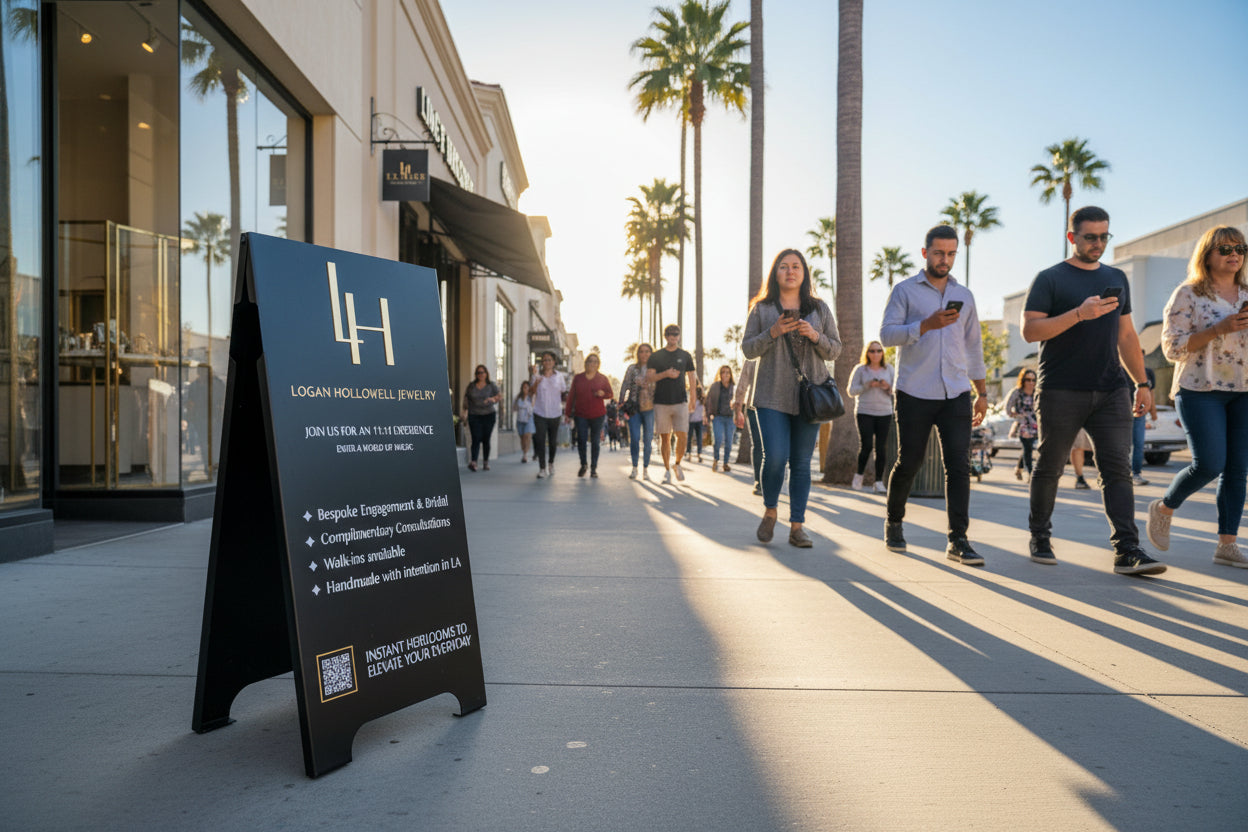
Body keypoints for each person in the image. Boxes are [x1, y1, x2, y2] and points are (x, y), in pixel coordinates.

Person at [1021, 206, 1165, 575]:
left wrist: (1143, 383)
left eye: (1104, 236)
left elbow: (1127, 335)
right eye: (1090, 237)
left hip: (1111, 389)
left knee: (1117, 468)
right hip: (1060, 389)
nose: (1098, 243)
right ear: (1073, 237)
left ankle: (1128, 550)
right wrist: (1078, 314)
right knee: (1051, 465)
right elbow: (1031, 332)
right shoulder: (1050, 279)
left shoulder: (1116, 277)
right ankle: (1040, 536)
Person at [880, 225, 987, 566]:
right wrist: (925, 325)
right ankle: (894, 522)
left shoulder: (965, 296)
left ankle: (958, 540)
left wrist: (981, 391)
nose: (945, 259)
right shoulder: (905, 291)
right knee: (909, 461)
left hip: (955, 391)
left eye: (951, 253)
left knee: (957, 465)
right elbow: (886, 336)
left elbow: (973, 346)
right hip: (914, 391)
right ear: (925, 253)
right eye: (939, 253)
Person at [1148, 226, 1248, 568]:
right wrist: (1219, 329)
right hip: (1199, 389)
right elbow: (1172, 347)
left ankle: (1227, 544)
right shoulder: (1188, 294)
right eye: (1225, 249)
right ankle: (1164, 508)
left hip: (1244, 391)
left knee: (1237, 470)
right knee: (1210, 463)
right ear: (1206, 255)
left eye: (1239, 248)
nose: (1234, 254)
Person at [742, 248, 841, 548]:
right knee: (773, 457)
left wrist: (815, 336)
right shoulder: (762, 309)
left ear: (804, 272)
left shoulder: (820, 309)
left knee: (800, 463)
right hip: (771, 395)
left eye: (796, 266)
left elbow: (835, 349)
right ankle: (771, 509)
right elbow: (748, 350)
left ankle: (797, 525)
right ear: (775, 273)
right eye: (783, 266)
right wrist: (772, 333)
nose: (790, 271)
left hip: (809, 397)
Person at [647, 324, 697, 484]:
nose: (673, 337)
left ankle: (677, 464)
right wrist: (666, 374)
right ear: (665, 336)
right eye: (670, 334)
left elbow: (691, 378)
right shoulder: (656, 356)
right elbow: (649, 377)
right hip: (661, 402)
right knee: (665, 438)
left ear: (679, 336)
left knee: (682, 435)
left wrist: (693, 399)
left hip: (681, 401)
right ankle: (667, 470)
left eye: (676, 334)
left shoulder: (685, 355)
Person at [847, 340, 894, 493]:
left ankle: (879, 481)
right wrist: (866, 385)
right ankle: (859, 476)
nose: (876, 354)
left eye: (879, 351)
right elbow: (851, 391)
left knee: (881, 448)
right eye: (872, 351)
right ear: (867, 353)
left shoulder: (889, 369)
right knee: (866, 445)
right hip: (864, 412)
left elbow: (896, 391)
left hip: (884, 412)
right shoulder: (860, 370)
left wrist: (887, 387)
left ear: (882, 353)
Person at [565, 353, 613, 478]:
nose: (592, 364)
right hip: (581, 414)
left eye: (595, 362)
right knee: (581, 440)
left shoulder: (602, 378)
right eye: (590, 361)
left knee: (595, 442)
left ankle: (593, 468)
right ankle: (583, 464)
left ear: (598, 364)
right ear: (586, 363)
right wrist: (567, 413)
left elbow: (610, 394)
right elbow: (571, 396)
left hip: (598, 415)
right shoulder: (578, 378)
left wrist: (603, 393)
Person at [621, 343, 656, 480]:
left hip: (650, 408)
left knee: (648, 440)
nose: (644, 354)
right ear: (638, 354)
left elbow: (660, 386)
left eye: (647, 351)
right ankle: (635, 467)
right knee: (635, 438)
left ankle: (645, 469)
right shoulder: (632, 368)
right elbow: (625, 384)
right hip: (634, 407)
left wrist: (649, 384)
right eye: (642, 351)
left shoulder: (655, 369)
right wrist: (621, 401)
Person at [530, 351, 567, 479]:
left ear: (554, 362)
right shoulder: (536, 376)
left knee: (552, 441)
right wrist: (536, 382)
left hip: (555, 413)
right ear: (542, 363)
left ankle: (551, 462)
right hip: (540, 412)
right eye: (545, 360)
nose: (547, 362)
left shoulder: (559, 376)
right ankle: (542, 468)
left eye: (550, 360)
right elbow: (531, 392)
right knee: (540, 440)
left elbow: (563, 391)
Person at [461, 365, 501, 472]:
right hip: (474, 415)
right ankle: (474, 462)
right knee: (476, 438)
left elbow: (499, 396)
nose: (481, 374)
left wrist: (492, 399)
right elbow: (466, 399)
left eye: (482, 372)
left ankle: (485, 462)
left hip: (489, 415)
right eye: (478, 373)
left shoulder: (491, 385)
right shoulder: (472, 386)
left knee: (486, 439)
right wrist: (464, 411)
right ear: (476, 374)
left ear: (486, 373)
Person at [733, 358, 763, 494]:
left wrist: (738, 409)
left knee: (758, 444)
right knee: (759, 444)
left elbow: (742, 384)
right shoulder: (753, 354)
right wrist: (738, 409)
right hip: (755, 406)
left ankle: (760, 481)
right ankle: (759, 481)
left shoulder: (755, 349)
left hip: (755, 404)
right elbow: (743, 384)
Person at [1130, 349, 1157, 486]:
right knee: (1122, 445)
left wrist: (1153, 412)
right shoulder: (1123, 370)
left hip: (1140, 414)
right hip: (1122, 412)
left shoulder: (1149, 373)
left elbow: (1151, 393)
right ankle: (1121, 474)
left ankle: (1136, 473)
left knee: (1139, 444)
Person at [1005, 369, 1038, 481]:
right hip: (1023, 425)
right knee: (1028, 449)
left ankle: (1018, 468)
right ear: (1023, 380)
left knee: (1027, 449)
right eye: (1028, 379)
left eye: (1033, 380)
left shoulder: (1037, 392)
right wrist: (1018, 416)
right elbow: (1008, 409)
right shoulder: (1017, 392)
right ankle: (1030, 473)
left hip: (1036, 425)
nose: (1031, 382)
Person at [706, 365, 738, 473]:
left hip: (730, 418)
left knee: (729, 442)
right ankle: (716, 460)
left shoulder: (734, 387)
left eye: (728, 372)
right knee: (718, 440)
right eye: (723, 372)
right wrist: (708, 415)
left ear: (730, 375)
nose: (725, 374)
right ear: (720, 374)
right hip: (718, 417)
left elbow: (739, 401)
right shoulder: (715, 386)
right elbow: (708, 400)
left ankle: (725, 463)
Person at [515, 379, 535, 463]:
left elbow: (533, 407)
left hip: (529, 419)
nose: (525, 389)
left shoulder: (531, 397)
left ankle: (525, 455)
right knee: (522, 438)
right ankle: (524, 452)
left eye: (527, 387)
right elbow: (514, 408)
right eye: (524, 387)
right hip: (520, 420)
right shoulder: (518, 398)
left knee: (527, 436)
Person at [688, 387, 706, 463]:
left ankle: (698, 453)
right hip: (692, 421)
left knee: (698, 438)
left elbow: (704, 411)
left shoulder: (701, 401)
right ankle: (689, 452)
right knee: (690, 438)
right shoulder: (694, 401)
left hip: (698, 421)